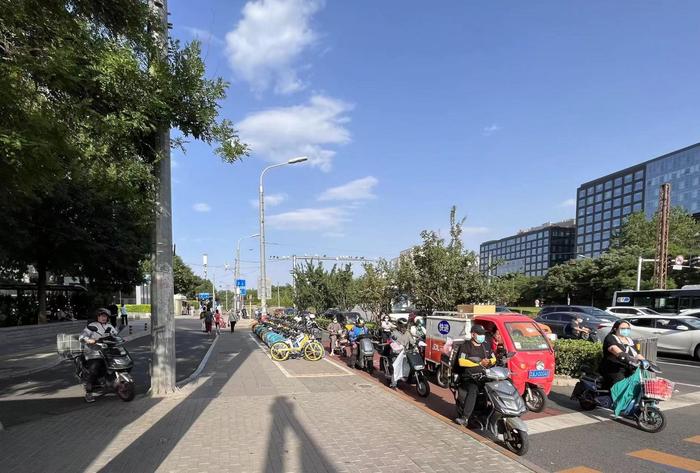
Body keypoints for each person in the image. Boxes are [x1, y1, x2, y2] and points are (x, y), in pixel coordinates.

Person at [454, 325, 496, 426]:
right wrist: (479, 363)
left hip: (484, 375)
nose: (482, 336)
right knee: (473, 389)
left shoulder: (485, 345)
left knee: (500, 385)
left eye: (483, 334)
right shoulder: (466, 346)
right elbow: (461, 361)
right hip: (469, 377)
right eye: (479, 334)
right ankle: (465, 417)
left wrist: (489, 361)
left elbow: (493, 358)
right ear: (473, 334)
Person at [79, 308, 118, 403]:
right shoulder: (92, 326)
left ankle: (114, 382)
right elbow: (82, 336)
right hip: (94, 351)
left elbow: (115, 335)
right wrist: (88, 340)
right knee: (94, 368)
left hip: (107, 351)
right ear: (98, 317)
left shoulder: (110, 326)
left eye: (105, 316)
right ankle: (89, 392)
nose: (104, 318)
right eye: (102, 316)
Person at [600, 320, 645, 389]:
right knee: (620, 388)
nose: (626, 330)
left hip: (629, 367)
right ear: (615, 329)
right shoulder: (611, 338)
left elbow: (637, 354)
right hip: (614, 368)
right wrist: (622, 355)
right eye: (623, 328)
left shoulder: (630, 340)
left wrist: (644, 361)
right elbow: (613, 348)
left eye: (628, 328)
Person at [388, 318, 415, 388]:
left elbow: (412, 341)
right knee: (396, 367)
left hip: (406, 353)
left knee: (412, 365)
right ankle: (393, 384)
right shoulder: (394, 333)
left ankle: (408, 378)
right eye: (403, 326)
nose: (404, 328)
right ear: (399, 326)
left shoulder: (408, 333)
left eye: (405, 326)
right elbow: (392, 342)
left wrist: (416, 344)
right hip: (396, 354)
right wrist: (396, 346)